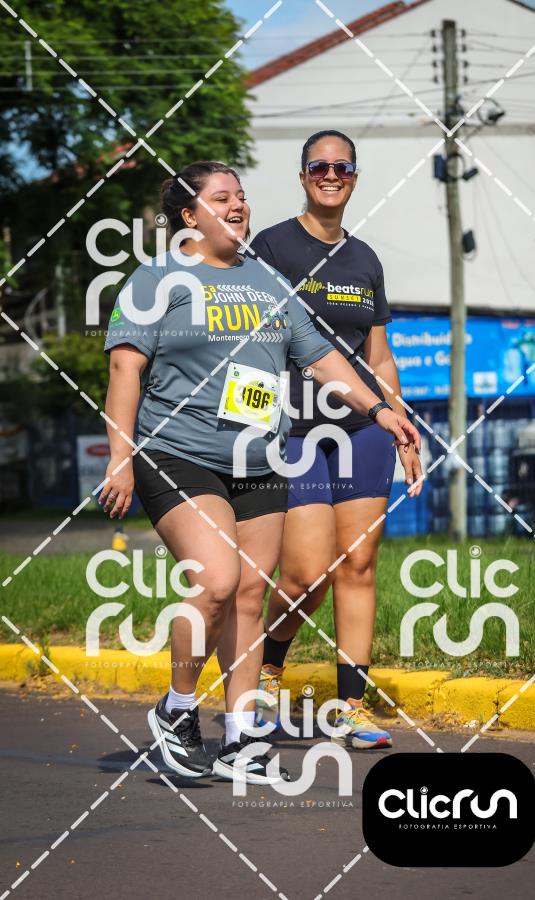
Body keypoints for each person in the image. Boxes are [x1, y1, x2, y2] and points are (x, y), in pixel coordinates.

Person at [100, 160, 420, 783]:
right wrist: (121, 456)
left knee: (251, 593)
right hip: (179, 452)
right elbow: (124, 370)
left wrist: (381, 410)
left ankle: (240, 737)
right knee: (217, 581)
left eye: (242, 196)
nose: (238, 205)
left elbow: (322, 358)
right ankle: (177, 709)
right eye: (222, 197)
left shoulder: (266, 280)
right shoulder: (157, 278)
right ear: (189, 215)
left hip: (260, 458)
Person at [251, 131, 423, 750]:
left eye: (341, 167)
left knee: (359, 564)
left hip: (361, 428)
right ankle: (266, 670)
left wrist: (400, 423)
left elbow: (379, 354)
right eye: (319, 166)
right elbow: (250, 339)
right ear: (302, 175)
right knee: (304, 573)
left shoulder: (364, 259)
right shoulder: (271, 246)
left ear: (354, 177)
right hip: (294, 428)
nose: (330, 175)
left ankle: (351, 706)